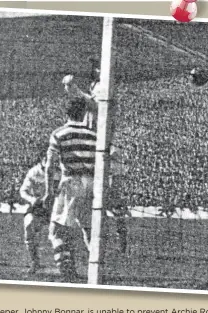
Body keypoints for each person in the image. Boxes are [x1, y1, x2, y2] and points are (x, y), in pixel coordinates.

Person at [63, 57, 128, 254]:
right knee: (95, 206)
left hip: (102, 150)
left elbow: (92, 103)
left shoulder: (104, 90)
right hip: (97, 150)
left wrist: (71, 87)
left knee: (106, 201)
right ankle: (105, 244)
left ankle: (116, 237)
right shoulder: (98, 89)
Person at [42, 97, 98, 283]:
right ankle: (96, 270)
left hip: (71, 182)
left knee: (56, 231)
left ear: (66, 113)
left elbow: (50, 165)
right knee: (89, 230)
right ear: (83, 113)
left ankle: (67, 273)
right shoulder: (94, 135)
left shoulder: (60, 133)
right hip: (92, 183)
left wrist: (49, 192)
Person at [18, 156, 60, 274]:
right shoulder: (34, 172)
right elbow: (23, 191)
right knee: (29, 225)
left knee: (62, 234)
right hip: (38, 207)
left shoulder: (59, 172)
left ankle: (67, 266)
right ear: (42, 159)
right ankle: (34, 261)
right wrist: (31, 199)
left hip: (55, 207)